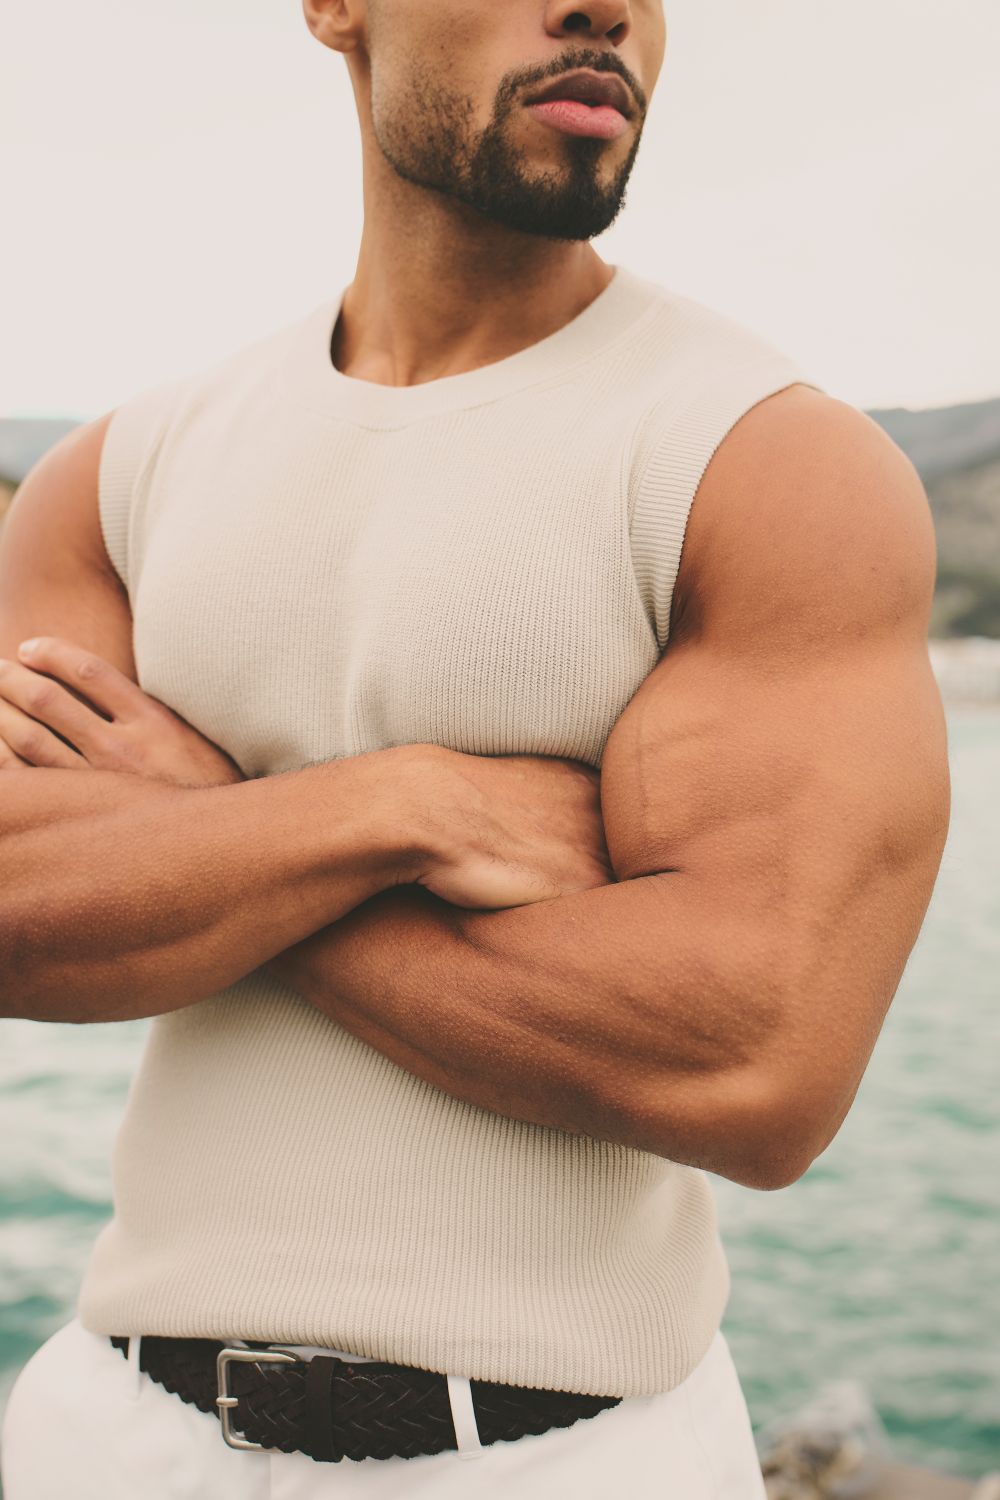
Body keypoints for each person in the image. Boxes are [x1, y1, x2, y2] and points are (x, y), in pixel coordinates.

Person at [0, 0, 950, 1495]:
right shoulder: (118, 471)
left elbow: (761, 1068)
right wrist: (399, 807)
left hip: (563, 1455)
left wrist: (212, 838)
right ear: (335, 10)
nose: (607, 11)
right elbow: (15, 919)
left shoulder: (766, 464)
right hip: (110, 1436)